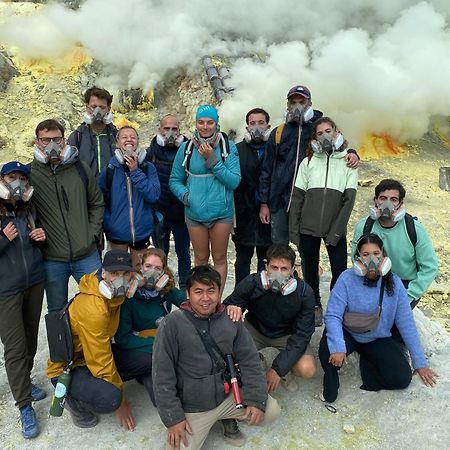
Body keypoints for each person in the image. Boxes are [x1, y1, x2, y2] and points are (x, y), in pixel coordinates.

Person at [153, 265, 280, 449]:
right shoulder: (172, 324)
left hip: (228, 395)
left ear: (219, 292)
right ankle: (216, 420)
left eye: (211, 291)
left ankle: (227, 417)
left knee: (271, 411)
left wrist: (255, 400)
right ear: (188, 293)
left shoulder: (230, 318)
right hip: (194, 406)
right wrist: (173, 419)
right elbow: (162, 375)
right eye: (198, 291)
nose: (205, 298)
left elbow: (249, 360)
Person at [319, 234, 437, 406]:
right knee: (327, 352)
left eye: (376, 253)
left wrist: (420, 362)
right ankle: (330, 387)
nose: (371, 259)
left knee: (402, 378)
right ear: (358, 258)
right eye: (366, 254)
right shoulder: (346, 278)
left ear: (383, 255)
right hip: (349, 333)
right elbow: (333, 315)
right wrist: (338, 347)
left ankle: (367, 364)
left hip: (377, 337)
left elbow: (406, 323)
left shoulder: (394, 283)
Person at [47, 250, 140, 431]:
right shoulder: (93, 309)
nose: (120, 280)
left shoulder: (110, 294)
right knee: (111, 398)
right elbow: (100, 360)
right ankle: (73, 401)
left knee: (145, 358)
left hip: (90, 354)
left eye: (125, 274)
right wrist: (121, 400)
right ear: (103, 273)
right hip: (69, 366)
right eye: (114, 274)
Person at [259, 85, 359, 245]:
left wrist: (353, 152)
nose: (297, 106)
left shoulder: (318, 129)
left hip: (307, 204)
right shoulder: (278, 132)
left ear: (310, 104)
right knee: (279, 247)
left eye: (302, 101)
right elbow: (267, 169)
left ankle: (307, 271)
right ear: (287, 106)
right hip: (279, 202)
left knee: (306, 251)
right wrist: (264, 202)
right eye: (293, 102)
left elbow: (338, 147)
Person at [289, 117, 358, 326]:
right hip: (308, 228)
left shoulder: (348, 161)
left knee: (339, 271)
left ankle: (337, 309)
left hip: (334, 229)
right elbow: (297, 196)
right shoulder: (308, 161)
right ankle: (314, 306)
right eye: (319, 133)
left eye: (328, 131)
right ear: (315, 138)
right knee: (309, 269)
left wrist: (336, 231)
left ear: (337, 132)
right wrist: (294, 229)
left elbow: (349, 201)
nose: (325, 136)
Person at [30, 119, 104, 313]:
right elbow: (24, 213)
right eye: (45, 140)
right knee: (57, 312)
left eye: (57, 139)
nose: (52, 144)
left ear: (65, 141)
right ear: (37, 142)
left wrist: (92, 234)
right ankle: (61, 345)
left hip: (86, 253)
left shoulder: (80, 169)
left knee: (100, 304)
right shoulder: (30, 174)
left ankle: (100, 344)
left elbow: (96, 203)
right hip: (52, 258)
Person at [224, 244, 316, 394]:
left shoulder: (304, 293)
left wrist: (278, 370)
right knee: (228, 356)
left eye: (284, 269)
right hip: (255, 329)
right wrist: (232, 308)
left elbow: (303, 334)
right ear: (266, 267)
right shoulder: (252, 282)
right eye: (274, 267)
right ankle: (257, 360)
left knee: (307, 369)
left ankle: (286, 370)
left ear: (293, 270)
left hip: (287, 335)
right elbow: (228, 305)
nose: (278, 273)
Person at [169, 105, 240, 293]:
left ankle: (216, 300)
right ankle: (199, 298)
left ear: (217, 124)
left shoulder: (227, 147)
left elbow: (234, 181)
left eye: (210, 122)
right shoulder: (186, 148)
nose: (205, 126)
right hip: (194, 212)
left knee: (220, 258)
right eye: (201, 122)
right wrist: (186, 196)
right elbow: (175, 179)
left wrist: (212, 159)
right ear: (196, 123)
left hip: (221, 213)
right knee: (200, 258)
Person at [0, 161, 46, 439]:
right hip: (6, 290)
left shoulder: (29, 208)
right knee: (15, 347)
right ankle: (24, 406)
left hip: (34, 283)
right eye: (11, 177)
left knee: (30, 338)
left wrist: (41, 238)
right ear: (2, 180)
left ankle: (24, 383)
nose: (16, 182)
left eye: (21, 177)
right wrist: (3, 239)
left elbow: (35, 243)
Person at [114, 248, 186, 406]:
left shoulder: (167, 291)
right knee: (162, 396)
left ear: (164, 272)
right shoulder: (128, 297)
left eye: (158, 268)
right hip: (142, 347)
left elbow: (190, 304)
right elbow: (122, 339)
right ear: (139, 267)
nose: (152, 272)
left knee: (171, 394)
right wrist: (157, 344)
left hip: (160, 343)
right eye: (148, 266)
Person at [352, 179, 438, 308]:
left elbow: (430, 267)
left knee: (394, 323)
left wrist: (410, 295)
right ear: (375, 200)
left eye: (393, 199)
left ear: (400, 204)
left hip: (405, 285)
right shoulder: (363, 226)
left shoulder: (414, 229)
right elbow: (356, 257)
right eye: (383, 198)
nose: (387, 203)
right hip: (375, 279)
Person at [100, 126, 161, 268]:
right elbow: (101, 199)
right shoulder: (110, 169)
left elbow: (153, 196)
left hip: (141, 232)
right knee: (118, 274)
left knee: (138, 276)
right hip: (117, 232)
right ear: (117, 143)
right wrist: (107, 223)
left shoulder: (147, 168)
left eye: (133, 137)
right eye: (124, 137)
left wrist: (135, 171)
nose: (129, 140)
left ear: (138, 141)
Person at [146, 115, 191, 289]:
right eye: (167, 129)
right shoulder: (151, 152)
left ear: (179, 131)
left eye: (174, 129)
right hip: (160, 213)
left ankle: (185, 290)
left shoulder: (189, 150)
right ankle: (161, 289)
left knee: (184, 254)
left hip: (181, 214)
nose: (170, 133)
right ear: (160, 130)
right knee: (159, 255)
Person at [232, 108, 272, 285]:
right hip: (243, 214)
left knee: (265, 260)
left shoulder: (275, 150)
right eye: (253, 123)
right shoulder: (237, 150)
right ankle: (240, 301)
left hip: (268, 214)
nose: (257, 127)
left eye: (261, 123)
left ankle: (262, 298)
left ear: (268, 126)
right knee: (242, 260)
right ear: (247, 127)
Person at [68, 86, 117, 178]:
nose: (97, 111)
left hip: (112, 190)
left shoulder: (117, 136)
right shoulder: (77, 137)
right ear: (87, 107)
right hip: (87, 190)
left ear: (109, 109)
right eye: (94, 106)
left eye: (102, 107)